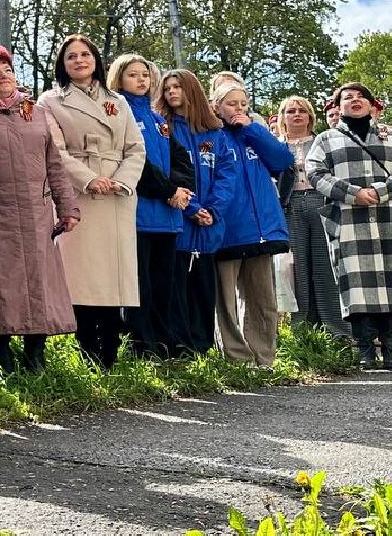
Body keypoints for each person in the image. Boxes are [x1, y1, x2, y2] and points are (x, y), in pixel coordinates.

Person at [0, 47, 80, 372]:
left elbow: (53, 163)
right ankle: (0, 351)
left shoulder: (33, 111)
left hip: (37, 211)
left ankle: (36, 353)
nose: (3, 75)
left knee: (39, 282)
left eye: (7, 69)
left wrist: (67, 207)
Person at [37, 35, 145, 369]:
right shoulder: (50, 101)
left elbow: (135, 148)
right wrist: (88, 178)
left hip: (117, 195)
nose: (80, 61)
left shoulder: (117, 101)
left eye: (85, 54)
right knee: (82, 277)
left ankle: (110, 350)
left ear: (96, 60)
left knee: (114, 277)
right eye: (71, 56)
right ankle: (87, 349)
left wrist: (122, 181)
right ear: (62, 64)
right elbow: (55, 150)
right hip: (79, 193)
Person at [109, 54, 195, 357]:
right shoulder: (119, 113)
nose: (141, 80)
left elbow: (180, 158)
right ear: (119, 79)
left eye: (145, 74)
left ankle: (167, 340)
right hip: (139, 214)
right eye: (133, 75)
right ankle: (141, 344)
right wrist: (167, 190)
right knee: (140, 285)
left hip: (169, 217)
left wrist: (182, 189)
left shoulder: (159, 119)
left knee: (165, 285)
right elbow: (136, 163)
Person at [305, 83, 392, 369]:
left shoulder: (388, 134)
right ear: (337, 106)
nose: (355, 101)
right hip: (349, 221)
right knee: (356, 286)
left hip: (387, 217)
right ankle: (365, 350)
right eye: (347, 98)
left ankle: (390, 349)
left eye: (360, 97)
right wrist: (354, 193)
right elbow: (315, 172)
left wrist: (379, 191)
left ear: (371, 104)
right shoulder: (327, 139)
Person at [209, 81, 293, 366]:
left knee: (263, 300)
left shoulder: (253, 134)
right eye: (232, 104)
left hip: (261, 230)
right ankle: (236, 359)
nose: (239, 110)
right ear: (216, 106)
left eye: (243, 104)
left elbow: (283, 160)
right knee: (226, 303)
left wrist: (252, 128)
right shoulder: (212, 135)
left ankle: (263, 358)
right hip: (227, 228)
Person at [155, 70, 237, 355]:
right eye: (167, 89)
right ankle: (179, 347)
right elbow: (168, 173)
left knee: (204, 289)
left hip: (208, 227)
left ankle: (202, 347)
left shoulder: (215, 133)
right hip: (177, 223)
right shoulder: (163, 129)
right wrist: (190, 207)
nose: (171, 93)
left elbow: (228, 175)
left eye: (177, 87)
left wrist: (212, 210)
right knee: (176, 289)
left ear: (192, 91)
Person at [275, 95, 347, 338]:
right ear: (282, 117)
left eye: (302, 111)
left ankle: (336, 331)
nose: (296, 115)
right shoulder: (275, 146)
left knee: (325, 265)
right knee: (297, 269)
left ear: (310, 117)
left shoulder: (322, 142)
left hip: (320, 201)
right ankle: (302, 331)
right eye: (291, 111)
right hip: (289, 205)